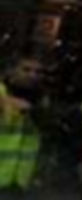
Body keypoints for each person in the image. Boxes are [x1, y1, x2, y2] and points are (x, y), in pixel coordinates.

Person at [0, 57, 44, 194]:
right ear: (11, 71)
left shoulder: (41, 100)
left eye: (38, 72)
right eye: (26, 69)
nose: (33, 75)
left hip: (20, 183)